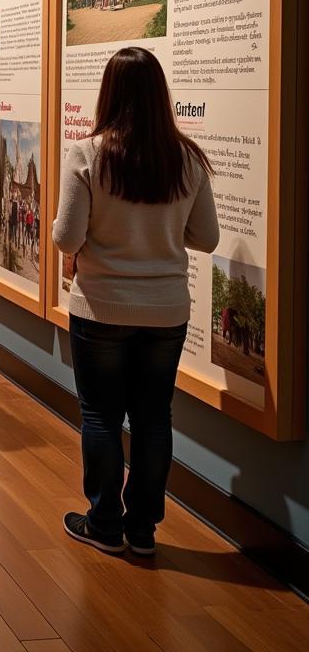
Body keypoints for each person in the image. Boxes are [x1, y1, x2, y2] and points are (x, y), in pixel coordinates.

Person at [52, 47, 219, 556]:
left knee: (101, 416)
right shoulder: (186, 157)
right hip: (167, 310)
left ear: (110, 92)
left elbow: (64, 237)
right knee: (153, 417)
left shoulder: (88, 153)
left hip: (101, 305)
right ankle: (143, 530)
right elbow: (206, 237)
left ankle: (104, 523)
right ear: (159, 95)